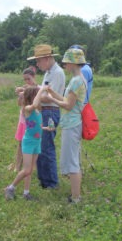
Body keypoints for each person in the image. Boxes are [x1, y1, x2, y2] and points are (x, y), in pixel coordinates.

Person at [44, 48, 87, 203]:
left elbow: (68, 105)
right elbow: (66, 99)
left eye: (66, 62)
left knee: (72, 162)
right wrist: (53, 93)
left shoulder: (76, 81)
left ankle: (76, 198)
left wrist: (51, 99)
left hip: (72, 124)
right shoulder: (78, 79)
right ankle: (75, 195)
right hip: (72, 123)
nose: (64, 65)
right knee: (73, 158)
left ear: (73, 63)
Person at [27, 44, 65, 189]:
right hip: (44, 111)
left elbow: (50, 97)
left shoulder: (57, 73)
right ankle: (43, 180)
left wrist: (33, 97)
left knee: (47, 146)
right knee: (40, 146)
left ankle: (51, 183)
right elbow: (42, 92)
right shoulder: (48, 73)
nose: (37, 64)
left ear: (47, 58)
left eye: (39, 60)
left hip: (50, 112)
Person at [4, 85, 45, 201]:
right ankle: (10, 188)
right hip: (28, 142)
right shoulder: (27, 109)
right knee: (26, 169)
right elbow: (35, 104)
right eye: (37, 95)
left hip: (37, 141)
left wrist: (46, 128)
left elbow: (37, 125)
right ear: (32, 96)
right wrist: (41, 89)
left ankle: (26, 193)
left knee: (30, 170)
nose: (39, 96)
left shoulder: (37, 110)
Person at [9, 67, 38, 172]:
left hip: (32, 120)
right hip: (23, 119)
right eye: (25, 79)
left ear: (34, 77)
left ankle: (31, 165)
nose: (27, 81)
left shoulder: (37, 89)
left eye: (28, 79)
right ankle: (17, 165)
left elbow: (36, 104)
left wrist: (26, 93)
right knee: (21, 143)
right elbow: (19, 104)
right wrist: (21, 97)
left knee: (33, 143)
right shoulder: (24, 88)